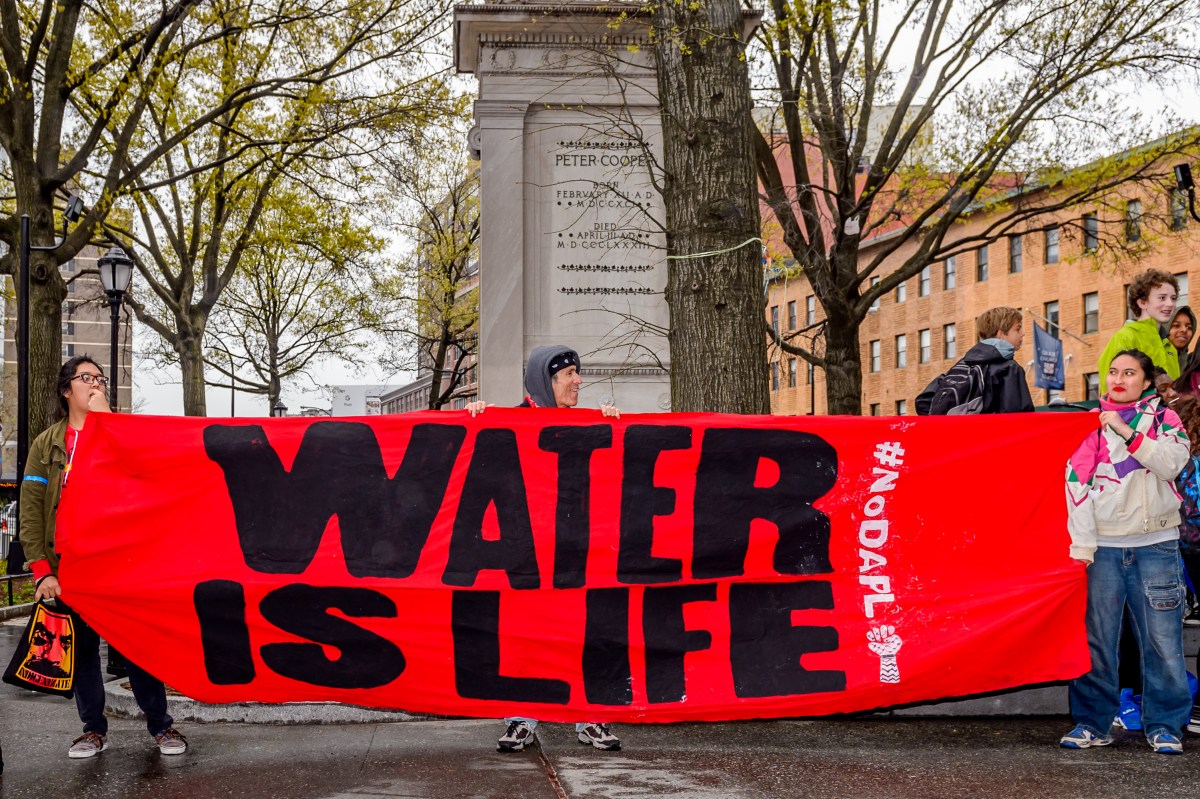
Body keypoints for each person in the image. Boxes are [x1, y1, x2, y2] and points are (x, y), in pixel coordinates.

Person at [20, 356, 189, 759]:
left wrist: (107, 420)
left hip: (121, 567)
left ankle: (161, 726)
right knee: (81, 655)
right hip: (70, 570)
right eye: (86, 378)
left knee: (137, 649)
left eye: (100, 379)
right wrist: (42, 571)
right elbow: (30, 510)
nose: (95, 384)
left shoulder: (121, 432)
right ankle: (93, 730)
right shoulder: (47, 444)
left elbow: (146, 478)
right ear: (67, 390)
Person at [467, 345, 622, 753]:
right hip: (525, 555)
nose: (578, 381)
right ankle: (522, 718)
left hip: (575, 551)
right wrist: (471, 422)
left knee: (584, 633)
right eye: (568, 374)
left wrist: (621, 431)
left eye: (577, 373)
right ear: (544, 380)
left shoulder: (588, 425)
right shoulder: (508, 422)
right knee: (526, 635)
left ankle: (590, 718)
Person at [1062, 349, 1192, 754]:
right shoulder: (1088, 428)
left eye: (1129, 372)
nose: (1118, 378)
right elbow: (1075, 489)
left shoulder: (1165, 421)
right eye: (1113, 372)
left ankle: (1166, 726)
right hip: (1102, 551)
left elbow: (1171, 464)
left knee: (1162, 643)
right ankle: (1092, 722)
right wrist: (1082, 546)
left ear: (1147, 381)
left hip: (1157, 546)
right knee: (1096, 641)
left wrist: (1125, 430)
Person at [915, 306, 1033, 414]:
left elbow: (923, 401)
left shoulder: (961, 365)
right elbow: (1019, 417)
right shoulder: (1009, 367)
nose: (1023, 333)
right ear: (1001, 334)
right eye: (1018, 329)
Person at [1097, 270, 1179, 394]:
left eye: (1173, 298)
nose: (1170, 304)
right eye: (1162, 298)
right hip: (1133, 413)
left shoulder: (1170, 347)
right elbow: (1110, 391)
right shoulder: (1125, 337)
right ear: (1142, 302)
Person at [1169, 306, 1196, 374]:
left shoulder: (1192, 365)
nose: (1184, 330)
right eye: (1176, 325)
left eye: (1189, 327)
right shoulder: (1151, 359)